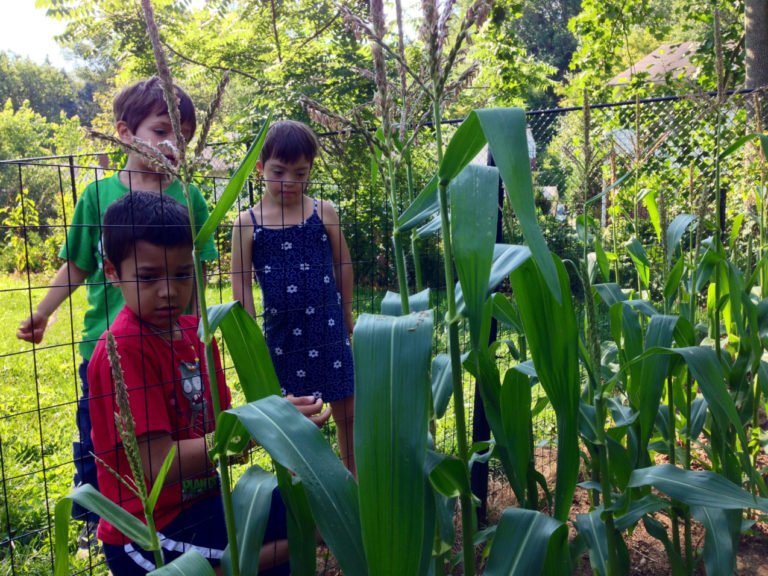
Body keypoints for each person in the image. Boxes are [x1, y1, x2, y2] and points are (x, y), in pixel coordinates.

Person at [15, 77, 218, 553]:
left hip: (171, 349)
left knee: (172, 428)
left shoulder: (190, 197)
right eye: (163, 130)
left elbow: (200, 274)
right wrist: (44, 311)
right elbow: (78, 263)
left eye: (182, 137)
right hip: (107, 347)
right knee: (100, 437)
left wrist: (201, 330)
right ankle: (103, 520)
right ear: (125, 133)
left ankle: (176, 512)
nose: (173, 145)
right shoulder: (97, 196)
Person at [89, 191, 330, 575]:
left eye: (183, 273)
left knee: (317, 504)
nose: (168, 290)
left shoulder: (199, 332)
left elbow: (224, 426)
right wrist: (256, 429)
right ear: (113, 272)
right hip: (150, 530)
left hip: (203, 502)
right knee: (311, 528)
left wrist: (276, 418)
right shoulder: (126, 348)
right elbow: (156, 465)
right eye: (149, 276)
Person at [230, 120, 356, 472]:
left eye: (300, 173)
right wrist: (250, 340)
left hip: (329, 329)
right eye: (279, 171)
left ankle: (353, 481)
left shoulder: (323, 211)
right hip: (282, 337)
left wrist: (346, 314)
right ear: (260, 169)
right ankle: (303, 490)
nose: (289, 182)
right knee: (294, 416)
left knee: (348, 408)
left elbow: (343, 263)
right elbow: (239, 284)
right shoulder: (247, 222)